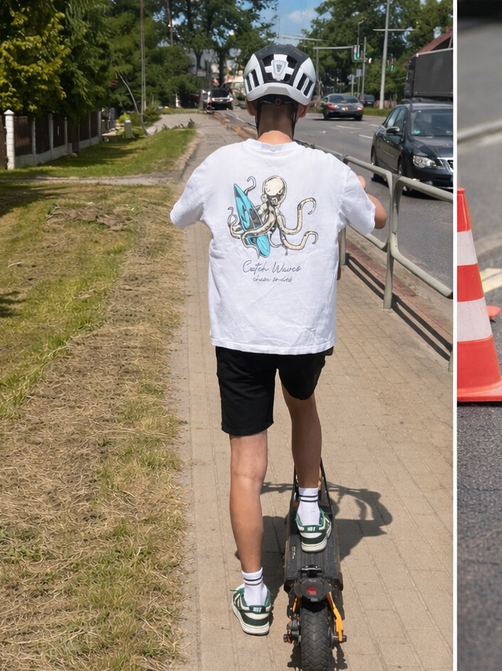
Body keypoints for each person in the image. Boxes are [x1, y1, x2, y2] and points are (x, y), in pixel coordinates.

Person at [170, 44, 388, 636]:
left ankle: (254, 596)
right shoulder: (328, 169)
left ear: (247, 98)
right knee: (303, 405)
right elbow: (378, 219)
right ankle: (312, 509)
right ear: (307, 103)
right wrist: (364, 191)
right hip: (304, 333)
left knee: (247, 462)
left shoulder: (220, 167)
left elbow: (180, 216)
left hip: (240, 335)